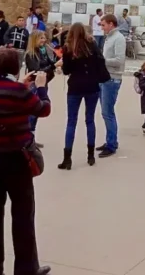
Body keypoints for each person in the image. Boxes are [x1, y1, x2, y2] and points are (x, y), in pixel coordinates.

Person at [0, 49, 51, 275]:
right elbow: (43, 109)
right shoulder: (18, 91)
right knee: (23, 214)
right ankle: (26, 268)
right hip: (16, 159)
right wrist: (42, 88)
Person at [57, 23, 108, 170]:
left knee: (71, 122)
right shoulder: (92, 45)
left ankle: (67, 159)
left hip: (75, 87)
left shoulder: (68, 48)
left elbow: (66, 71)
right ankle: (90, 155)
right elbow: (101, 61)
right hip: (92, 86)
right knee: (90, 120)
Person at [98, 13, 126, 157]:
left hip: (112, 78)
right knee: (106, 112)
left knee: (107, 112)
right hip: (104, 78)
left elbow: (119, 60)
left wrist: (102, 60)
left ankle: (111, 144)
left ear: (111, 24)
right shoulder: (109, 37)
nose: (102, 28)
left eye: (103, 25)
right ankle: (110, 139)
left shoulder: (119, 38)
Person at [24, 31, 57, 146]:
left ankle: (31, 138)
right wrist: (53, 66)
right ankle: (28, 139)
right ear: (34, 40)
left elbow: (49, 63)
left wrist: (57, 60)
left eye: (44, 38)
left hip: (43, 82)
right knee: (32, 112)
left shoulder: (43, 51)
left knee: (37, 112)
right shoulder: (30, 54)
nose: (43, 40)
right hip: (35, 83)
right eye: (41, 38)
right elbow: (37, 70)